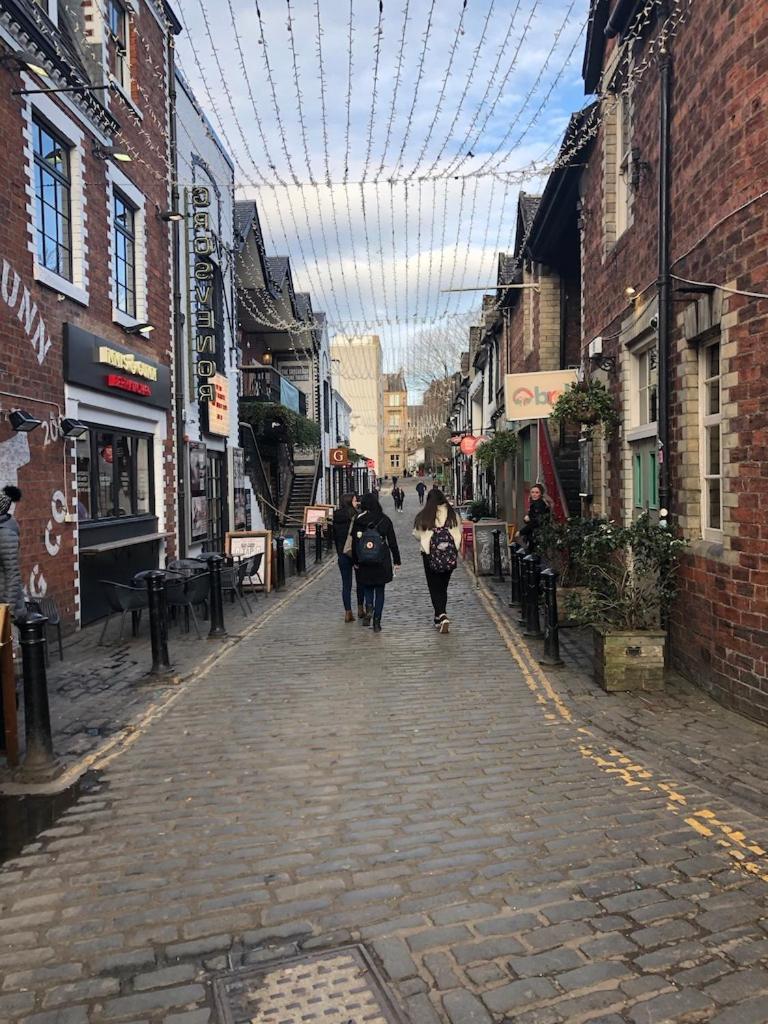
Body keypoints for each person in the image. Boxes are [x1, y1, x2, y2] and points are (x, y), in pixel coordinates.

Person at [413, 489, 461, 634]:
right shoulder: (452, 513)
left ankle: (442, 615)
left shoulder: (424, 515)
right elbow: (459, 530)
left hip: (430, 555)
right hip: (449, 554)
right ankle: (438, 616)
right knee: (442, 586)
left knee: (434, 587)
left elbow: (416, 534)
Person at [352, 491, 401, 633]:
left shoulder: (359, 520)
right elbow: (392, 542)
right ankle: (377, 621)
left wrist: (355, 561)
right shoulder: (384, 520)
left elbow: (355, 543)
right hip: (381, 560)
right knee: (380, 591)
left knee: (368, 587)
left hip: (364, 560)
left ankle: (369, 607)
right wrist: (397, 560)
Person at [332, 493, 363, 622]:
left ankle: (348, 612)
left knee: (346, 584)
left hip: (342, 553)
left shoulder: (336, 517)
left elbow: (333, 537)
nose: (357, 502)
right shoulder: (356, 516)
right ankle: (360, 609)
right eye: (355, 500)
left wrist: (340, 552)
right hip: (355, 553)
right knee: (360, 582)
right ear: (350, 502)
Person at [0, 485, 26, 621]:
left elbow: (13, 575)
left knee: (9, 635)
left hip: (5, 608)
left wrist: (6, 610)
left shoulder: (5, 534)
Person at [517, 483, 551, 551]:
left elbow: (536, 522)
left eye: (537, 492)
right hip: (537, 533)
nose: (534, 494)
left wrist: (521, 532)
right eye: (532, 492)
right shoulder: (537, 503)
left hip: (537, 534)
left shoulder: (539, 505)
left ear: (541, 494)